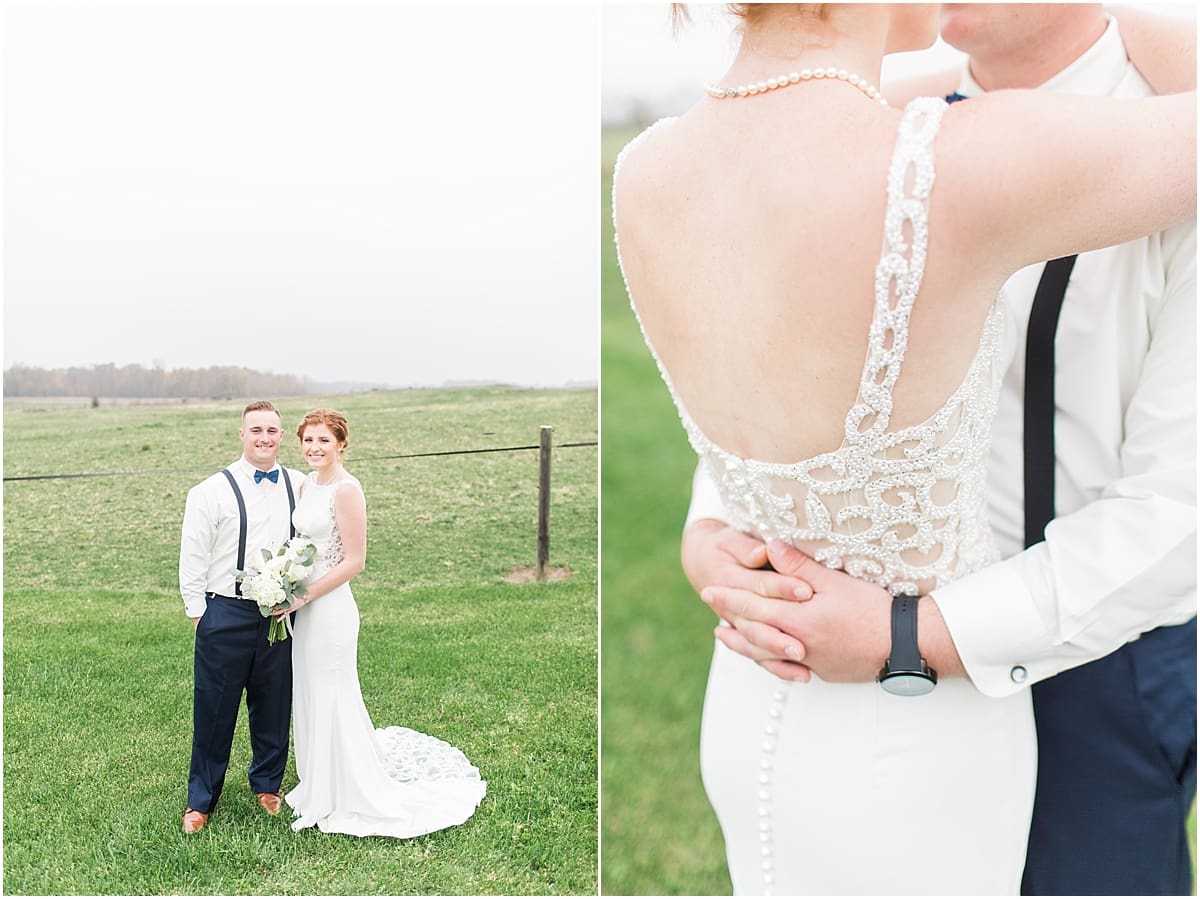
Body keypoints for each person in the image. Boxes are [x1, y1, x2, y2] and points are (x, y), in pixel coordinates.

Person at [612, 2, 1194, 895]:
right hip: (853, 680)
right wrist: (717, 523)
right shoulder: (896, 138)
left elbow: (1177, 512)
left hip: (1099, 683)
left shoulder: (1154, 132)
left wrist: (907, 634)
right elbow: (786, 393)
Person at [280, 408, 486, 837]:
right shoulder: (304, 484)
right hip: (302, 605)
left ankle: (348, 792)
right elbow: (302, 544)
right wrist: (284, 581)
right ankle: (318, 784)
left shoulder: (347, 490)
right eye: (308, 440)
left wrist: (306, 594)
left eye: (324, 440)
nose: (315, 448)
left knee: (334, 689)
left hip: (330, 608)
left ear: (341, 444)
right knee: (311, 690)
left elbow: (355, 561)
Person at [179, 400, 303, 834]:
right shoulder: (209, 491)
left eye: (272, 430)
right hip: (225, 612)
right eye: (256, 430)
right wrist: (201, 616)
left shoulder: (299, 484)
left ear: (282, 436)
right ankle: (201, 800)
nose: (264, 437)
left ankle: (267, 785)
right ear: (242, 434)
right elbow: (192, 557)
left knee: (274, 702)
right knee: (214, 709)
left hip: (280, 612)